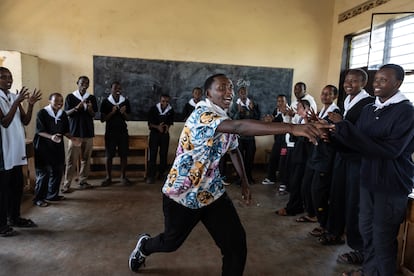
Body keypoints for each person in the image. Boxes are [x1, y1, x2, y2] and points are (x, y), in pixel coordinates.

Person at [128, 73, 324, 275]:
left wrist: (245, 183)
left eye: (230, 87)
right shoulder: (202, 115)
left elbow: (234, 149)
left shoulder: (223, 119)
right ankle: (144, 246)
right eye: (222, 87)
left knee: (236, 246)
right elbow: (240, 127)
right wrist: (292, 127)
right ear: (208, 93)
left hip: (212, 192)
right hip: (183, 194)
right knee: (170, 242)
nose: (228, 91)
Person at [330, 64, 414, 276]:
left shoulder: (406, 112)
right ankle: (369, 271)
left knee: (382, 238)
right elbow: (358, 144)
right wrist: (331, 136)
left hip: (391, 184)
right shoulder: (369, 109)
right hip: (368, 180)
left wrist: (345, 128)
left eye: (383, 80)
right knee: (366, 231)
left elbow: (391, 150)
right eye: (376, 79)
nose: (377, 83)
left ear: (398, 83)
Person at [320, 69, 374, 252]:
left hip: (356, 159)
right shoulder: (347, 101)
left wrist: (341, 122)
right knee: (337, 194)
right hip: (342, 154)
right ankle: (334, 231)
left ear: (363, 83)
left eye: (354, 81)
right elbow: (341, 130)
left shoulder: (368, 103)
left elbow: (363, 133)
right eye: (346, 81)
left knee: (353, 201)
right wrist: (331, 136)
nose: (349, 84)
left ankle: (356, 245)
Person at [0, 66, 41, 234]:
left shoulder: (11, 96)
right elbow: (4, 122)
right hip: (3, 151)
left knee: (16, 187)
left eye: (10, 77)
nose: (8, 80)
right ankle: (2, 226)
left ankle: (14, 218)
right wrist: (17, 102)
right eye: (3, 77)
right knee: (2, 191)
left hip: (16, 150)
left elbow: (25, 120)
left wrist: (29, 105)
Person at [33, 93, 75, 207]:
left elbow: (65, 131)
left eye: (61, 101)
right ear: (49, 101)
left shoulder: (63, 114)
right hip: (43, 147)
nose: (59, 103)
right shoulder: (42, 113)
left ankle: (52, 195)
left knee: (58, 170)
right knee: (44, 173)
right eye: (56, 101)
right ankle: (39, 198)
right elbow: (39, 131)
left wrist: (72, 138)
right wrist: (51, 137)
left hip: (57, 147)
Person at [61, 76, 98, 193]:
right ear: (77, 83)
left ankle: (83, 181)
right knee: (71, 160)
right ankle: (67, 184)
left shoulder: (91, 98)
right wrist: (77, 108)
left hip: (88, 132)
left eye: (87, 83)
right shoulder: (71, 97)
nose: (84, 85)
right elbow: (66, 113)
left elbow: (93, 115)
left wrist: (90, 109)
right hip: (74, 133)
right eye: (82, 82)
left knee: (86, 159)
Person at [99, 81, 132, 186]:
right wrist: (112, 112)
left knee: (124, 155)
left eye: (119, 88)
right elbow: (103, 119)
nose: (117, 90)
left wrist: (123, 112)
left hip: (122, 132)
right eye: (115, 88)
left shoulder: (125, 101)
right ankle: (108, 177)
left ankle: (123, 177)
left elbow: (128, 118)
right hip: (110, 132)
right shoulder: (105, 102)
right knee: (109, 155)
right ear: (111, 89)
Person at [230, 86, 261, 184]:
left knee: (250, 158)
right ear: (238, 94)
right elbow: (233, 120)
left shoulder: (253, 104)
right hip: (239, 137)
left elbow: (257, 118)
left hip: (250, 136)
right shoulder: (235, 105)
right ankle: (240, 178)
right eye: (241, 92)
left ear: (247, 93)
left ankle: (249, 177)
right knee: (240, 159)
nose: (243, 94)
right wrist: (239, 112)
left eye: (245, 92)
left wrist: (252, 110)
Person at [146, 94, 175, 184]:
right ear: (160, 100)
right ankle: (151, 175)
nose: (165, 103)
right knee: (153, 154)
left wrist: (167, 126)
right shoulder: (153, 109)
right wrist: (157, 127)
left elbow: (170, 122)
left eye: (167, 102)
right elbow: (149, 124)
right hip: (154, 134)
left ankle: (161, 174)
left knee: (163, 154)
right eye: (163, 101)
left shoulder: (170, 110)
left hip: (164, 135)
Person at [262, 94, 289, 185]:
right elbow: (273, 122)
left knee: (283, 161)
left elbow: (283, 123)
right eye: (278, 101)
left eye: (282, 101)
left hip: (285, 141)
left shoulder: (288, 111)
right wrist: (269, 120)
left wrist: (273, 120)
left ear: (286, 102)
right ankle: (271, 178)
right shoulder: (276, 110)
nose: (280, 103)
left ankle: (283, 183)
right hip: (277, 139)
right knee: (273, 158)